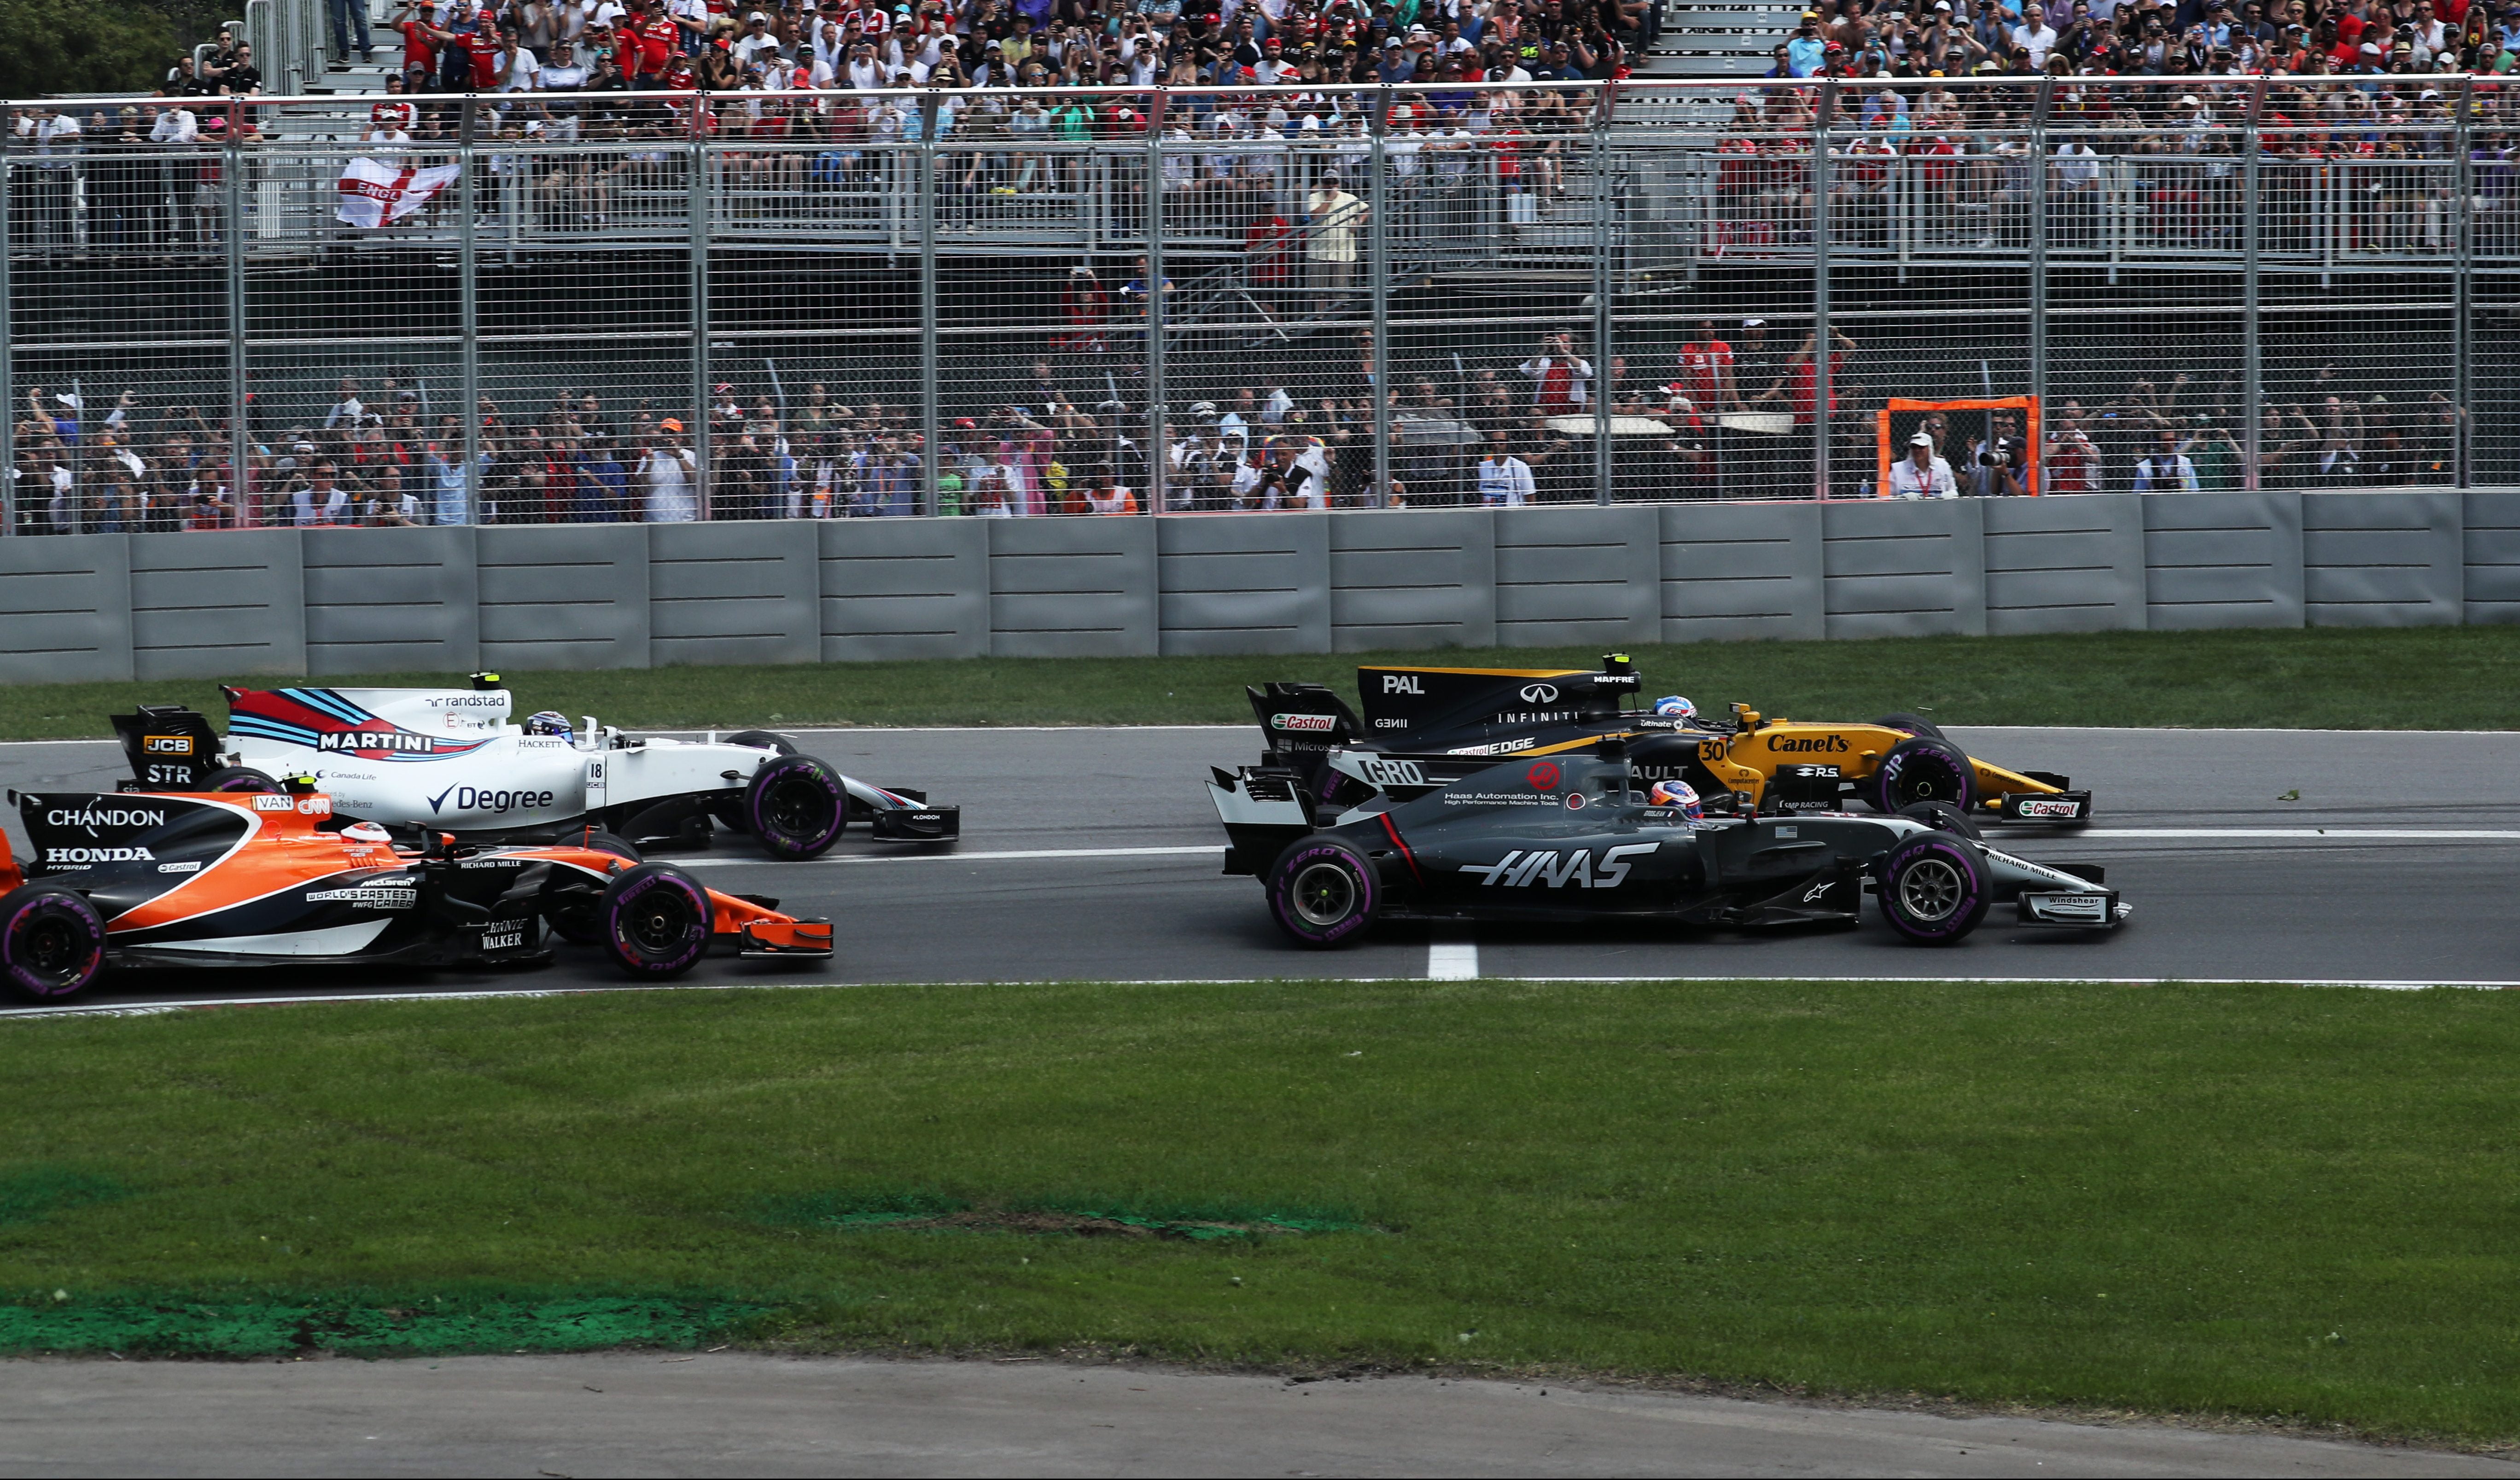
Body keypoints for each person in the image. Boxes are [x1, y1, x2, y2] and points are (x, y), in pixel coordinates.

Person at [1519, 330, 1594, 412]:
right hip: (1545, 408)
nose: (1559, 345)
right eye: (1557, 342)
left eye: (1565, 343)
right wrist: (1543, 350)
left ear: (1573, 346)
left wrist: (1564, 352)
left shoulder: (1579, 362)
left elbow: (1585, 371)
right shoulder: (1545, 362)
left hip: (1571, 409)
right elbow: (1530, 369)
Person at [640, 418, 699, 520]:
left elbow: (694, 480)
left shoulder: (691, 456)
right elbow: (640, 488)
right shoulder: (650, 457)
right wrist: (649, 465)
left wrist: (679, 457)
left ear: (680, 437)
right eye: (665, 434)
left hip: (686, 519)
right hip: (655, 520)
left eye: (672, 434)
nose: (668, 437)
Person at [1886, 430, 1957, 499]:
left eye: (1921, 447)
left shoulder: (1943, 465)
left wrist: (1950, 494)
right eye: (1914, 447)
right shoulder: (1898, 469)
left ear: (1930, 448)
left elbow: (1953, 491)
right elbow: (1885, 496)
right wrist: (1901, 498)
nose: (1917, 450)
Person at [1475, 431, 1537, 506]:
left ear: (1508, 444)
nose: (1497, 445)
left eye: (1501, 442)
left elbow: (1530, 498)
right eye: (1493, 442)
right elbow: (1482, 495)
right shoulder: (1484, 467)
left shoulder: (1521, 467)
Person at [2131, 429, 2201, 493]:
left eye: (2172, 440)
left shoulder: (2186, 462)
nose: (2170, 444)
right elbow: (2138, 493)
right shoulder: (2145, 467)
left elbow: (2194, 490)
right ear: (2157, 443)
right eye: (2166, 441)